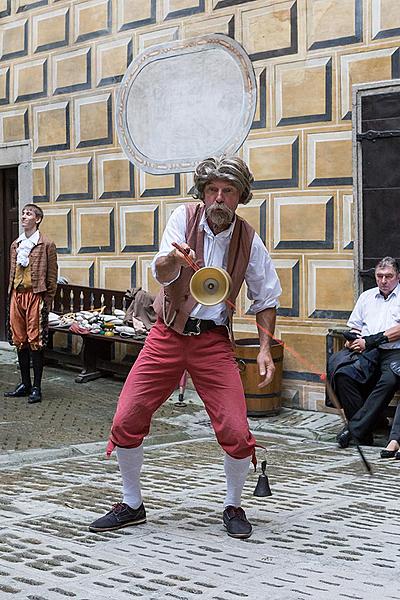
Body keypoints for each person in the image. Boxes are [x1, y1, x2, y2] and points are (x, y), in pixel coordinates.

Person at [89, 156, 281, 539]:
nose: (219, 198)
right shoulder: (183, 218)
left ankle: (233, 505)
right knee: (126, 418)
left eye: (228, 191)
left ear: (241, 197)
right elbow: (160, 274)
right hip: (168, 335)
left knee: (236, 429)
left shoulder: (248, 238)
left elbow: (266, 298)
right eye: (213, 190)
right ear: (203, 192)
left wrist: (263, 349)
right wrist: (171, 260)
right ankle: (132, 504)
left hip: (212, 341)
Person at [332, 257, 400, 448]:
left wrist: (368, 341)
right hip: (368, 352)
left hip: (395, 353)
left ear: (398, 277)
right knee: (344, 375)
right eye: (379, 276)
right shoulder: (367, 297)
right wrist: (352, 340)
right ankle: (366, 431)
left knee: (389, 380)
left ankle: (355, 431)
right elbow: (355, 327)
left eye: (389, 276)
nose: (383, 280)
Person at [4, 203, 58, 404]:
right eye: (23, 214)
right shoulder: (15, 245)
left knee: (36, 340)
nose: (24, 217)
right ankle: (24, 383)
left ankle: (37, 387)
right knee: (20, 339)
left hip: (36, 296)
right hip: (17, 295)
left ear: (38, 219)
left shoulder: (47, 244)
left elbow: (52, 276)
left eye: (29, 214)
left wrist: (47, 300)